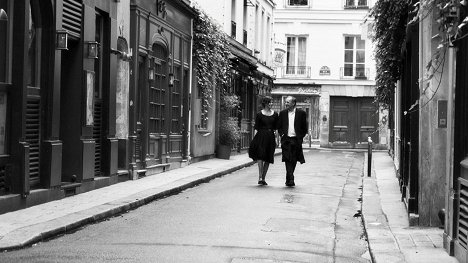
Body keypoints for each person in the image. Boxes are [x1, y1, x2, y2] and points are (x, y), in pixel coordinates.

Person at [277, 96, 307, 187]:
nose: (286, 104)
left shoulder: (301, 113)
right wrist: (282, 134)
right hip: (286, 139)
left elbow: (304, 127)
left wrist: (301, 137)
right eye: (286, 102)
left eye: (288, 102)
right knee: (287, 158)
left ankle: (288, 177)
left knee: (293, 159)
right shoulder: (282, 113)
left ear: (293, 103)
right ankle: (291, 178)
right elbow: (279, 126)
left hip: (296, 139)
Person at [248, 96, 279, 186]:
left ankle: (263, 177)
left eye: (272, 102)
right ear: (265, 103)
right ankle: (260, 177)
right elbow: (256, 128)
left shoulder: (275, 114)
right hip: (260, 136)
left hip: (270, 137)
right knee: (260, 156)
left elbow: (276, 128)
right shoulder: (259, 114)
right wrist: (254, 140)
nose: (271, 104)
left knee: (268, 158)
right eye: (269, 102)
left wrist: (277, 139)